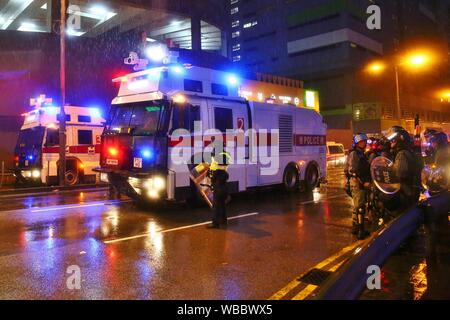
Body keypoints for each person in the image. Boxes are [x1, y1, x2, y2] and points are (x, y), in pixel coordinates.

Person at [386, 126, 422, 210]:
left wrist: (390, 171)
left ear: (400, 139)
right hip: (413, 189)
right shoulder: (409, 151)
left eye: (393, 140)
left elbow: (400, 174)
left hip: (405, 191)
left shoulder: (402, 154)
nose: (391, 142)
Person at [345, 133, 371, 239]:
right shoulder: (354, 154)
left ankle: (355, 227)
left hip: (361, 182)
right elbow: (353, 171)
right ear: (356, 143)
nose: (364, 143)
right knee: (360, 206)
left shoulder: (362, 154)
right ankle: (361, 230)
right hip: (357, 183)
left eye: (364, 141)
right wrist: (362, 182)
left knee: (357, 205)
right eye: (361, 142)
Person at [207, 153, 231, 229]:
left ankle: (215, 224)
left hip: (218, 188)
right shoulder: (224, 171)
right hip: (224, 187)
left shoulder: (216, 170)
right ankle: (224, 220)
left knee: (216, 206)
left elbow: (212, 175)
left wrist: (210, 175)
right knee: (222, 204)